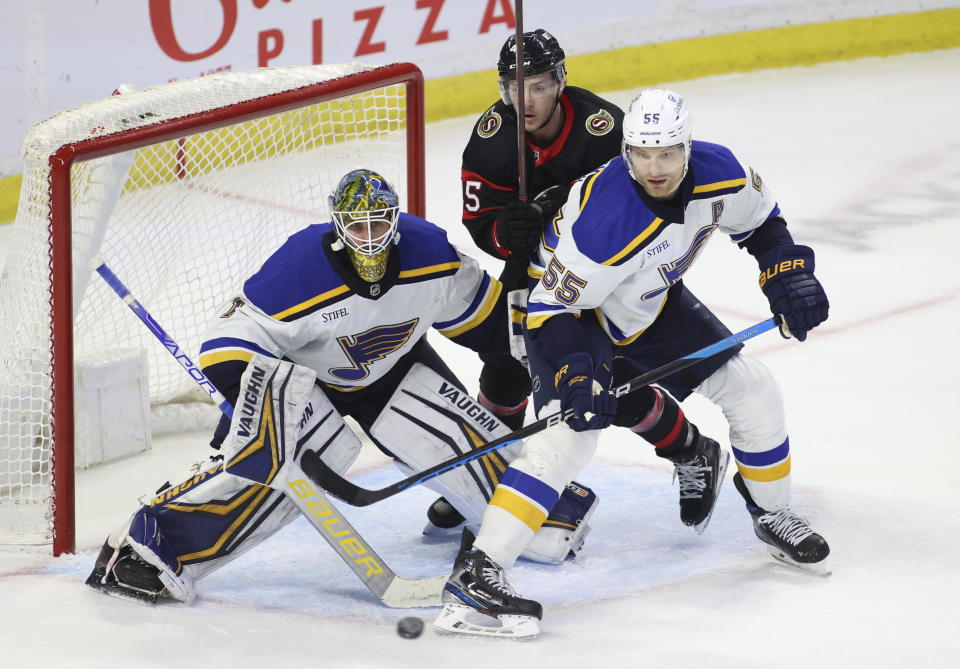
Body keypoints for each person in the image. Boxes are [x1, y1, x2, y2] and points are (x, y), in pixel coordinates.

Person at [85, 169, 597, 604]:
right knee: (274, 473)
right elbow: (226, 343)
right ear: (338, 226)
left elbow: (490, 323)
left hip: (394, 369)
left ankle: (548, 508)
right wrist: (254, 399)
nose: (370, 235)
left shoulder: (430, 254)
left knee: (481, 467)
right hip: (304, 382)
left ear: (396, 220)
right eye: (358, 225)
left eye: (380, 223)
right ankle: (148, 547)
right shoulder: (298, 269)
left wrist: (565, 361)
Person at [434, 89, 831, 640]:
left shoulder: (725, 171)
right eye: (642, 155)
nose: (654, 167)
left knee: (752, 389)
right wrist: (578, 371)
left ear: (687, 147)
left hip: (651, 303)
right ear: (625, 152)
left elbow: (763, 223)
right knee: (567, 441)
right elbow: (550, 310)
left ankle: (772, 514)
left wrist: (787, 273)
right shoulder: (604, 225)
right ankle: (478, 577)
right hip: (576, 317)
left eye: (667, 153)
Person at [432, 28, 727, 538]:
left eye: (539, 85)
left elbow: (647, 206)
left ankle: (690, 449)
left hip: (606, 274)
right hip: (538, 271)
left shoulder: (604, 129)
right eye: (513, 87)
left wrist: (562, 211)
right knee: (503, 372)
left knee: (604, 381)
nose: (525, 100)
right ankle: (486, 477)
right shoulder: (491, 142)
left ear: (560, 82)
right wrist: (508, 232)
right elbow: (482, 223)